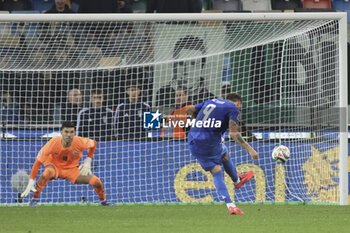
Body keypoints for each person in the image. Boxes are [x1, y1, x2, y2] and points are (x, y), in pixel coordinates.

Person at [186, 92, 258, 215]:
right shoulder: (233, 109)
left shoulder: (211, 101)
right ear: (239, 103)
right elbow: (234, 134)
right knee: (219, 166)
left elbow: (189, 109)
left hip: (193, 141)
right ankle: (235, 187)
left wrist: (196, 123)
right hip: (209, 143)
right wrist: (250, 149)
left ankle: (233, 195)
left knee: (222, 158)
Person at [21, 121, 110, 206]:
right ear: (61, 132)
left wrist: (88, 159)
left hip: (71, 170)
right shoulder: (53, 143)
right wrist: (31, 181)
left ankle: (103, 201)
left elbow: (93, 143)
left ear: (75, 133)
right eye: (66, 132)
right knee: (46, 174)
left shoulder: (79, 141)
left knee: (96, 182)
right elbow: (37, 163)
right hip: (54, 167)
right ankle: (34, 199)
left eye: (71, 132)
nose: (69, 135)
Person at [156, 35, 215, 108]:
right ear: (174, 65)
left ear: (202, 67)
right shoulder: (163, 93)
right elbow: (153, 119)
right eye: (181, 63)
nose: (186, 70)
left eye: (193, 64)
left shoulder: (211, 99)